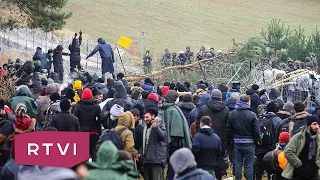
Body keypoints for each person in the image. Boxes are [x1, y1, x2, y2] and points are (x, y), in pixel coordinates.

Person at [158, 90, 192, 180]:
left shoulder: (162, 108)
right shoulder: (174, 110)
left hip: (164, 140)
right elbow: (178, 130)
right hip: (174, 143)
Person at [227, 95, 260, 180]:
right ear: (247, 102)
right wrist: (256, 140)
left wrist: (231, 140)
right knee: (249, 165)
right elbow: (256, 130)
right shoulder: (252, 115)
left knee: (237, 163)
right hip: (250, 143)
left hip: (237, 142)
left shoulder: (232, 114)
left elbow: (228, 129)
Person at [199, 89, 229, 178]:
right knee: (220, 159)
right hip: (221, 138)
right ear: (220, 98)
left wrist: (199, 134)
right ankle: (219, 176)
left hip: (205, 137)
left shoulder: (203, 108)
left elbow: (198, 123)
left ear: (211, 97)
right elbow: (228, 125)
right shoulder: (226, 110)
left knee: (205, 159)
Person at [282, 115, 320, 180]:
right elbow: (288, 151)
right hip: (298, 172)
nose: (317, 127)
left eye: (318, 124)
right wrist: (298, 164)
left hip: (314, 172)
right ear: (308, 125)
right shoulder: (298, 137)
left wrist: (317, 164)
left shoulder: (318, 139)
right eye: (314, 124)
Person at [136, 103, 167, 180]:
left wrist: (156, 128)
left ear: (153, 116)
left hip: (156, 160)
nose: (145, 119)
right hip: (147, 160)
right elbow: (144, 143)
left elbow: (163, 136)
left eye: (147, 117)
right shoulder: (145, 127)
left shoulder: (160, 124)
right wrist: (140, 152)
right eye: (144, 117)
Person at [255, 102, 282, 180]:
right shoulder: (277, 120)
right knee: (271, 167)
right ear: (276, 110)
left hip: (260, 146)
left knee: (259, 166)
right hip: (271, 147)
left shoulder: (260, 118)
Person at [73, 88, 102, 160]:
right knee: (93, 151)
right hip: (93, 131)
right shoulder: (96, 106)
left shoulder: (78, 106)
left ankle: (83, 169)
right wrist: (96, 124)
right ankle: (95, 168)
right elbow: (101, 118)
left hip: (81, 132)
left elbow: (75, 119)